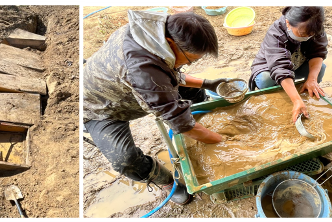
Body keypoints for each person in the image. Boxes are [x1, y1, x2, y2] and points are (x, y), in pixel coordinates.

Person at [82, 10, 225, 205]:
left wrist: (207, 83)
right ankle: (166, 182)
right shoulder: (143, 70)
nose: (191, 64)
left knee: (192, 92)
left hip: (128, 85)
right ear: (171, 42)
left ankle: (202, 123)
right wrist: (223, 141)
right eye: (191, 60)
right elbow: (179, 121)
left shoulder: (152, 30)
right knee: (124, 160)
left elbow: (167, 73)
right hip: (101, 109)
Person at [249, 6, 328, 123]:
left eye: (310, 35)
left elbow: (318, 52)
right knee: (265, 80)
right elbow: (280, 68)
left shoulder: (315, 28)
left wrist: (312, 79)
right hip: (270, 68)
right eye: (302, 34)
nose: (306, 37)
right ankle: (283, 99)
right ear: (288, 23)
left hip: (296, 64)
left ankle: (308, 92)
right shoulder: (275, 33)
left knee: (320, 69)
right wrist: (296, 100)